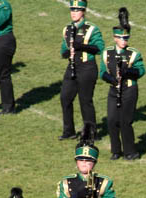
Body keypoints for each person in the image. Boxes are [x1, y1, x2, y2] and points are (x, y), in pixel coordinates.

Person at [100, 7, 145, 161]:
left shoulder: (133, 53)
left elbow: (141, 71)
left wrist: (127, 72)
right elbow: (102, 72)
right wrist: (111, 79)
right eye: (122, 38)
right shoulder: (107, 53)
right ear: (115, 38)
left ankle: (130, 151)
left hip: (129, 89)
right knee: (112, 120)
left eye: (126, 38)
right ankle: (116, 150)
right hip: (114, 89)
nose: (125, 41)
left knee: (126, 121)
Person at [59, 0, 104, 140]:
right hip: (72, 66)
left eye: (77, 10)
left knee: (85, 100)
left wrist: (81, 46)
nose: (74, 13)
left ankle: (91, 133)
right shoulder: (67, 29)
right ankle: (69, 131)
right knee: (65, 97)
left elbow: (99, 48)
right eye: (72, 10)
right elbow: (63, 51)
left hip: (87, 67)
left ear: (83, 12)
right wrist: (69, 53)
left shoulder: (92, 29)